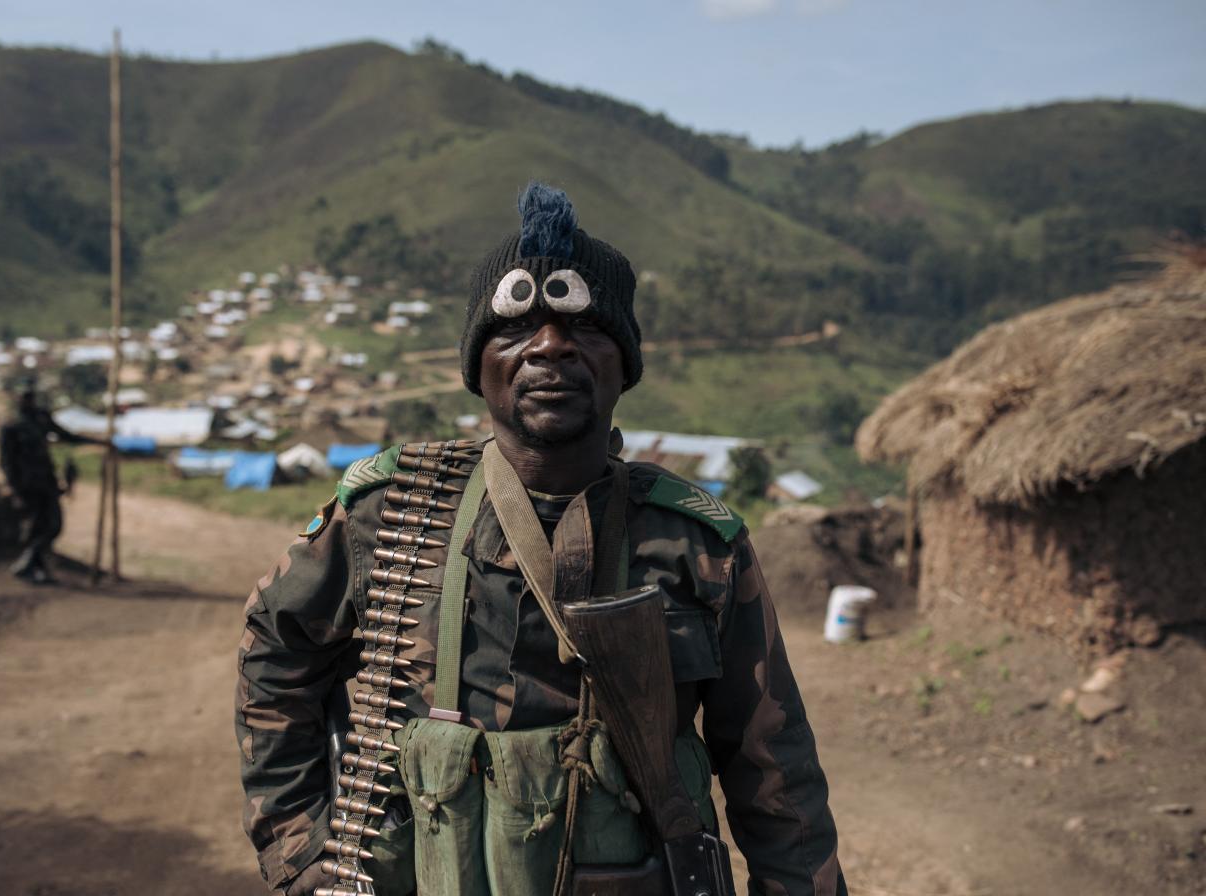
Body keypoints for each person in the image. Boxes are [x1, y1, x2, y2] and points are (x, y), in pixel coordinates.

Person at [236, 183, 845, 895]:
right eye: (517, 327)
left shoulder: (698, 545)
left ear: (623, 363)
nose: (550, 345)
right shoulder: (388, 511)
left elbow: (773, 764)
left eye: (584, 328)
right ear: (479, 363)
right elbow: (276, 652)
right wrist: (300, 848)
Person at [0, 387, 98, 583]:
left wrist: (97, 441)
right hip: (28, 486)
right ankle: (31, 566)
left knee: (53, 525)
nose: (29, 401)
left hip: (46, 482)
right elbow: (6, 462)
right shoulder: (11, 427)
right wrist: (16, 488)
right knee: (38, 526)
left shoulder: (40, 420)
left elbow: (65, 435)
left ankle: (32, 564)